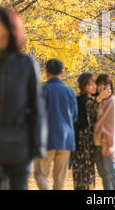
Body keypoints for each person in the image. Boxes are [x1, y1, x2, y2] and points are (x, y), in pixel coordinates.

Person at [0, 7, 47, 190]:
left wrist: (38, 146)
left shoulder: (26, 64)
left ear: (7, 28)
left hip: (20, 147)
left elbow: (37, 108)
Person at [34, 59, 78, 190]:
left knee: (40, 173)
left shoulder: (42, 90)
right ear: (62, 73)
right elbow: (74, 116)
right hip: (66, 139)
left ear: (46, 72)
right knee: (60, 178)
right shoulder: (69, 92)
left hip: (46, 139)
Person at [72, 72, 109, 190]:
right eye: (91, 84)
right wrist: (99, 98)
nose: (94, 87)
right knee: (81, 173)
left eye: (94, 84)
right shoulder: (81, 99)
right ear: (84, 86)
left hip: (89, 140)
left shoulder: (91, 99)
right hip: (81, 140)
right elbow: (89, 107)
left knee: (89, 173)